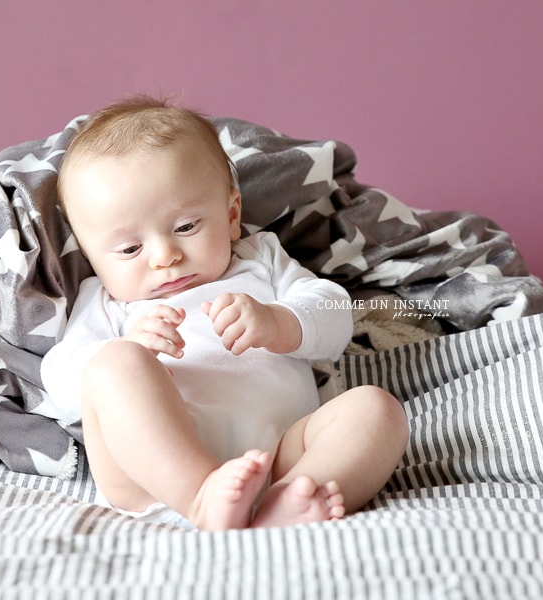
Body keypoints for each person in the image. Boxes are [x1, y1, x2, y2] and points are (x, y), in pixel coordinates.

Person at [40, 97, 409, 531]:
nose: (165, 256)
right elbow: (60, 385)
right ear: (92, 256)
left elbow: (333, 313)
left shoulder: (260, 260)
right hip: (152, 476)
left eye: (185, 227)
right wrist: (128, 346)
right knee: (113, 366)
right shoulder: (107, 301)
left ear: (232, 215)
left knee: (375, 408)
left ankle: (290, 499)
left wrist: (278, 322)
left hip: (281, 455)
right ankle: (200, 495)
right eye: (129, 249)